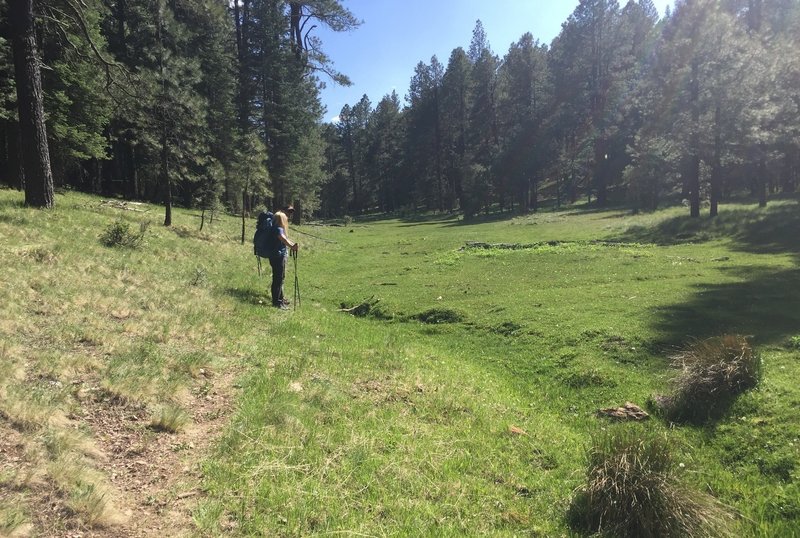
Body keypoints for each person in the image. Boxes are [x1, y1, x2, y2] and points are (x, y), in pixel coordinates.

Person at [269, 206, 299, 309]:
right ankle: (276, 302)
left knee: (279, 277)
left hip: (275, 255)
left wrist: (292, 245)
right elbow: (283, 239)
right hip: (278, 256)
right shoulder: (278, 229)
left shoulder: (276, 228)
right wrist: (292, 246)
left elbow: (285, 239)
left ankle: (280, 299)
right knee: (278, 278)